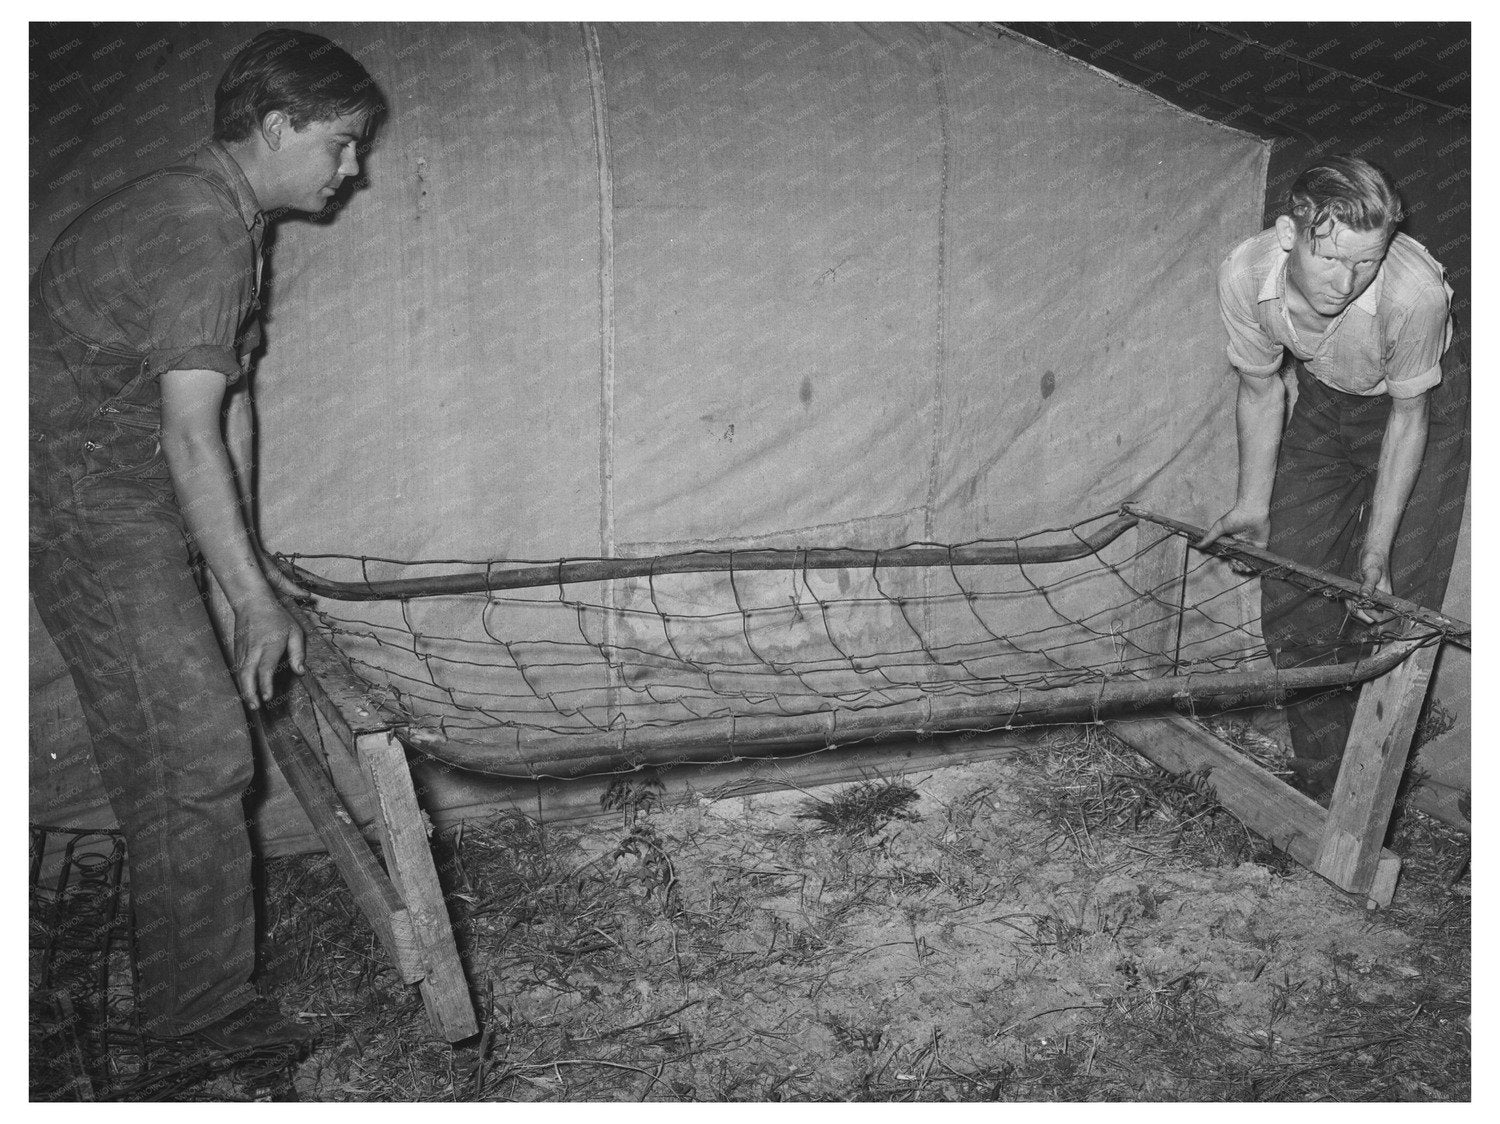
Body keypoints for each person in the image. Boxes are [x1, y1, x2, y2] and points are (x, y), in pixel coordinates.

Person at [30, 29, 383, 1051]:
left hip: (126, 492)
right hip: (89, 504)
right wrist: (250, 597)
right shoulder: (198, 228)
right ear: (276, 125)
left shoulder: (225, 213)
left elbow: (229, 409)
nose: (353, 169)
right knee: (196, 748)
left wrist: (247, 573)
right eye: (341, 143)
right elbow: (188, 434)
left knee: (177, 746)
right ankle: (199, 1024)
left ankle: (183, 976)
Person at [1197, 155, 1453, 800]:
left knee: (1392, 605)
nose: (1348, 281)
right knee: (1291, 585)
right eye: (1332, 259)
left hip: (1422, 412)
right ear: (1289, 234)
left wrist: (1376, 550)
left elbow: (1409, 418)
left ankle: (1371, 796)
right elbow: (1261, 388)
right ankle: (1322, 787)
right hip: (1323, 400)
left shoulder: (1414, 294)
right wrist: (1253, 501)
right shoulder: (1244, 274)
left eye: (1367, 262)